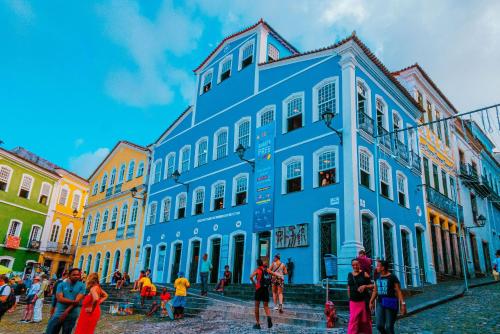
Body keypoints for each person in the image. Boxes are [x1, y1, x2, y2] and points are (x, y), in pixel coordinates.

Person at [369, 260, 406, 334]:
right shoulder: (377, 276)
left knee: (389, 326)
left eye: (378, 266)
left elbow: (399, 291)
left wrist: (403, 304)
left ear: (383, 267)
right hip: (380, 303)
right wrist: (371, 301)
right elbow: (375, 290)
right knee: (379, 325)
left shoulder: (392, 277)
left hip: (390, 303)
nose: (376, 267)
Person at [45, 268, 86, 334]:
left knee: (66, 332)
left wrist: (66, 312)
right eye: (74, 275)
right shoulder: (61, 285)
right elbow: (59, 299)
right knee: (51, 331)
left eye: (78, 275)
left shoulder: (82, 286)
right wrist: (74, 301)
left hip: (72, 314)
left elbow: (78, 300)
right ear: (69, 275)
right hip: (59, 313)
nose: (76, 276)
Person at [347, 259, 373, 334]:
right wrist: (349, 298)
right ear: (351, 266)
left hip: (363, 300)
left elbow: (372, 286)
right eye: (353, 265)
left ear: (359, 264)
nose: (355, 266)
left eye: (356, 264)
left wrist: (365, 286)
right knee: (353, 320)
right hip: (353, 301)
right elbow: (348, 287)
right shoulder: (350, 274)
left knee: (365, 320)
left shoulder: (364, 274)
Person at [250, 258, 272, 329]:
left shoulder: (257, 270)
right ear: (262, 263)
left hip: (259, 289)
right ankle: (268, 317)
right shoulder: (266, 270)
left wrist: (255, 284)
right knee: (266, 306)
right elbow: (272, 276)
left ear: (257, 264)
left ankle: (258, 323)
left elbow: (251, 277)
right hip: (265, 289)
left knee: (257, 306)